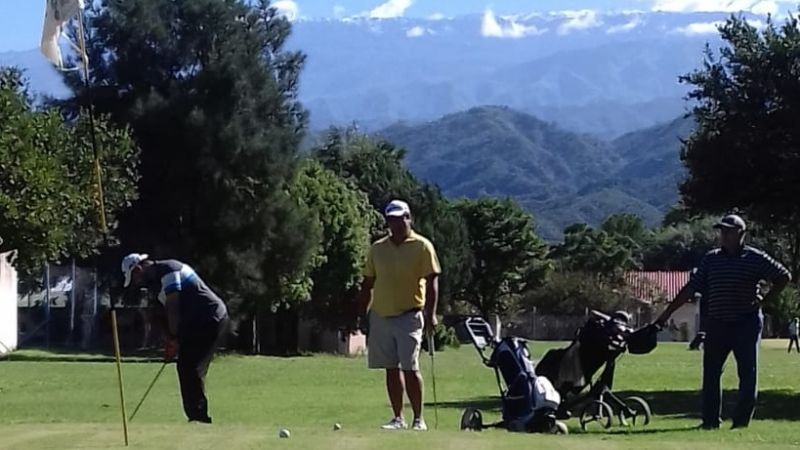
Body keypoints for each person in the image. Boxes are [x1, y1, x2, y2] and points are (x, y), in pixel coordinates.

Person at [655, 214, 791, 430]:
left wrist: (765, 299)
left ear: (741, 234)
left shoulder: (755, 258)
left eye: (729, 231)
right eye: (722, 231)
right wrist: (665, 314)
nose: (724, 235)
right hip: (717, 323)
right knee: (711, 373)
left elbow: (784, 276)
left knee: (747, 374)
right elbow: (691, 288)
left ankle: (740, 423)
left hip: (746, 323)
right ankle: (710, 422)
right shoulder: (711, 259)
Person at [356, 199, 441, 431]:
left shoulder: (422, 246)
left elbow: (432, 281)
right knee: (390, 368)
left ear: (409, 218)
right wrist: (362, 314)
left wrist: (431, 314)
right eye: (391, 219)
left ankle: (418, 419)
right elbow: (367, 283)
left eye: (400, 218)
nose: (396, 223)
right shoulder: (378, 248)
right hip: (381, 314)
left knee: (410, 367)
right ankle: (398, 418)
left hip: (409, 315)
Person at [122, 253, 228, 424]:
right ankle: (196, 416)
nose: (137, 282)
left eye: (135, 277)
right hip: (196, 322)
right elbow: (162, 313)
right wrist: (170, 339)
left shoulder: (169, 270)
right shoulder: (157, 282)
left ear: (139, 269)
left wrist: (174, 337)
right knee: (186, 366)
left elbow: (173, 306)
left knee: (191, 366)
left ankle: (199, 417)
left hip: (210, 318)